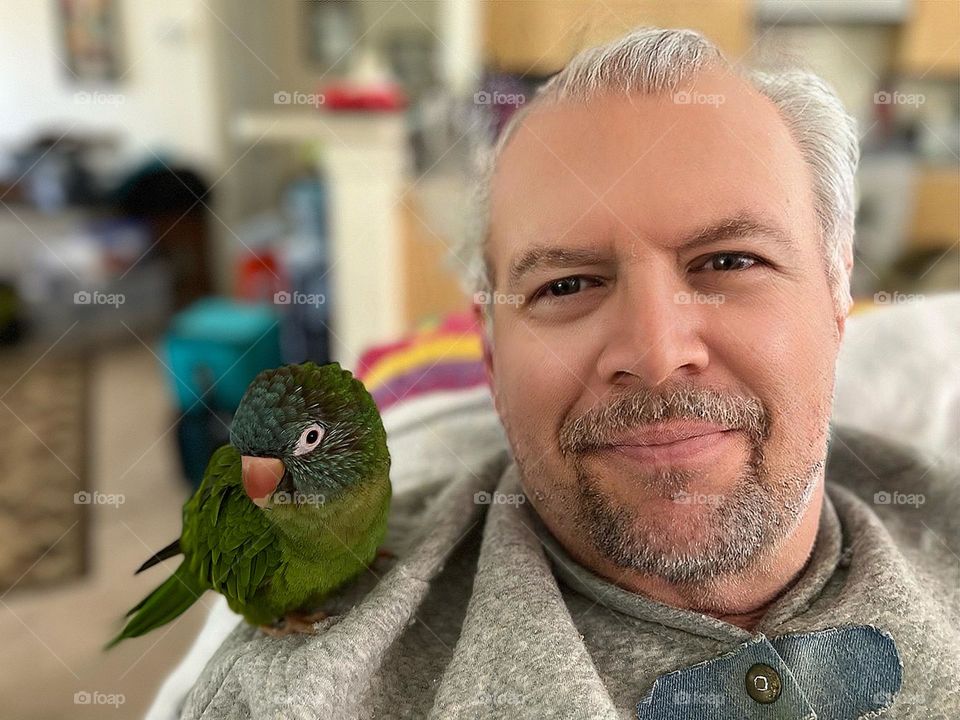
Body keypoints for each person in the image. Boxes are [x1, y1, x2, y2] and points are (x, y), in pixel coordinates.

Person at [170, 27, 959, 719]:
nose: (655, 353)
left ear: (837, 300)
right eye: (567, 285)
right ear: (490, 355)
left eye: (729, 262)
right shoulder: (299, 686)